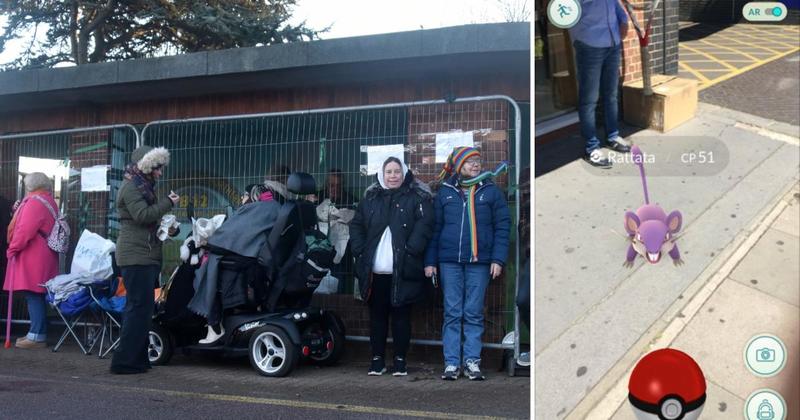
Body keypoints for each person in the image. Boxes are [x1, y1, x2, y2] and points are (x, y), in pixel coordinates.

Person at [424, 147, 511, 380]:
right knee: (452, 312)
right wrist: (430, 261)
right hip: (449, 261)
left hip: (479, 262)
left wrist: (497, 258)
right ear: (459, 165)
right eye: (470, 161)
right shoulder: (446, 191)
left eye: (478, 161)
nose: (476, 165)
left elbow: (503, 226)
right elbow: (435, 229)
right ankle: (451, 363)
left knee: (473, 312)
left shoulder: (491, 190)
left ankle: (472, 361)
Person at [350, 157, 434, 377]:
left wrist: (412, 251)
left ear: (404, 173)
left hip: (404, 271)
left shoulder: (417, 197)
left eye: (397, 171)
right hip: (375, 273)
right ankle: (377, 360)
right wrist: (360, 250)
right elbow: (357, 224)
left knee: (401, 318)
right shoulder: (370, 198)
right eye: (389, 172)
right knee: (377, 318)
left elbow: (425, 225)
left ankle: (400, 360)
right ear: (382, 174)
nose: (393, 176)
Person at [111, 145, 179, 374]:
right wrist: (168, 203)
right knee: (137, 309)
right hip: (135, 256)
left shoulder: (143, 187)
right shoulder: (131, 188)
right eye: (158, 168)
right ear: (147, 167)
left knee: (142, 310)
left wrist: (168, 229)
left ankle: (138, 360)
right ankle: (124, 362)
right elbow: (142, 216)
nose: (160, 173)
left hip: (145, 254)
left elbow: (149, 220)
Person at [570, 0, 631, 167]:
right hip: (590, 45)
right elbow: (565, 13)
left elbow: (615, 4)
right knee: (589, 100)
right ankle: (591, 148)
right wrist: (579, 38)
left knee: (611, 95)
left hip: (613, 44)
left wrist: (624, 20)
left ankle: (612, 136)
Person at [3, 172, 60, 349]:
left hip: (33, 254)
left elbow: (24, 230)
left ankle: (36, 336)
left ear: (30, 186)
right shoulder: (48, 200)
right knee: (37, 294)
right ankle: (36, 333)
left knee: (33, 293)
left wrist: (12, 248)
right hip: (44, 254)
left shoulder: (34, 202)